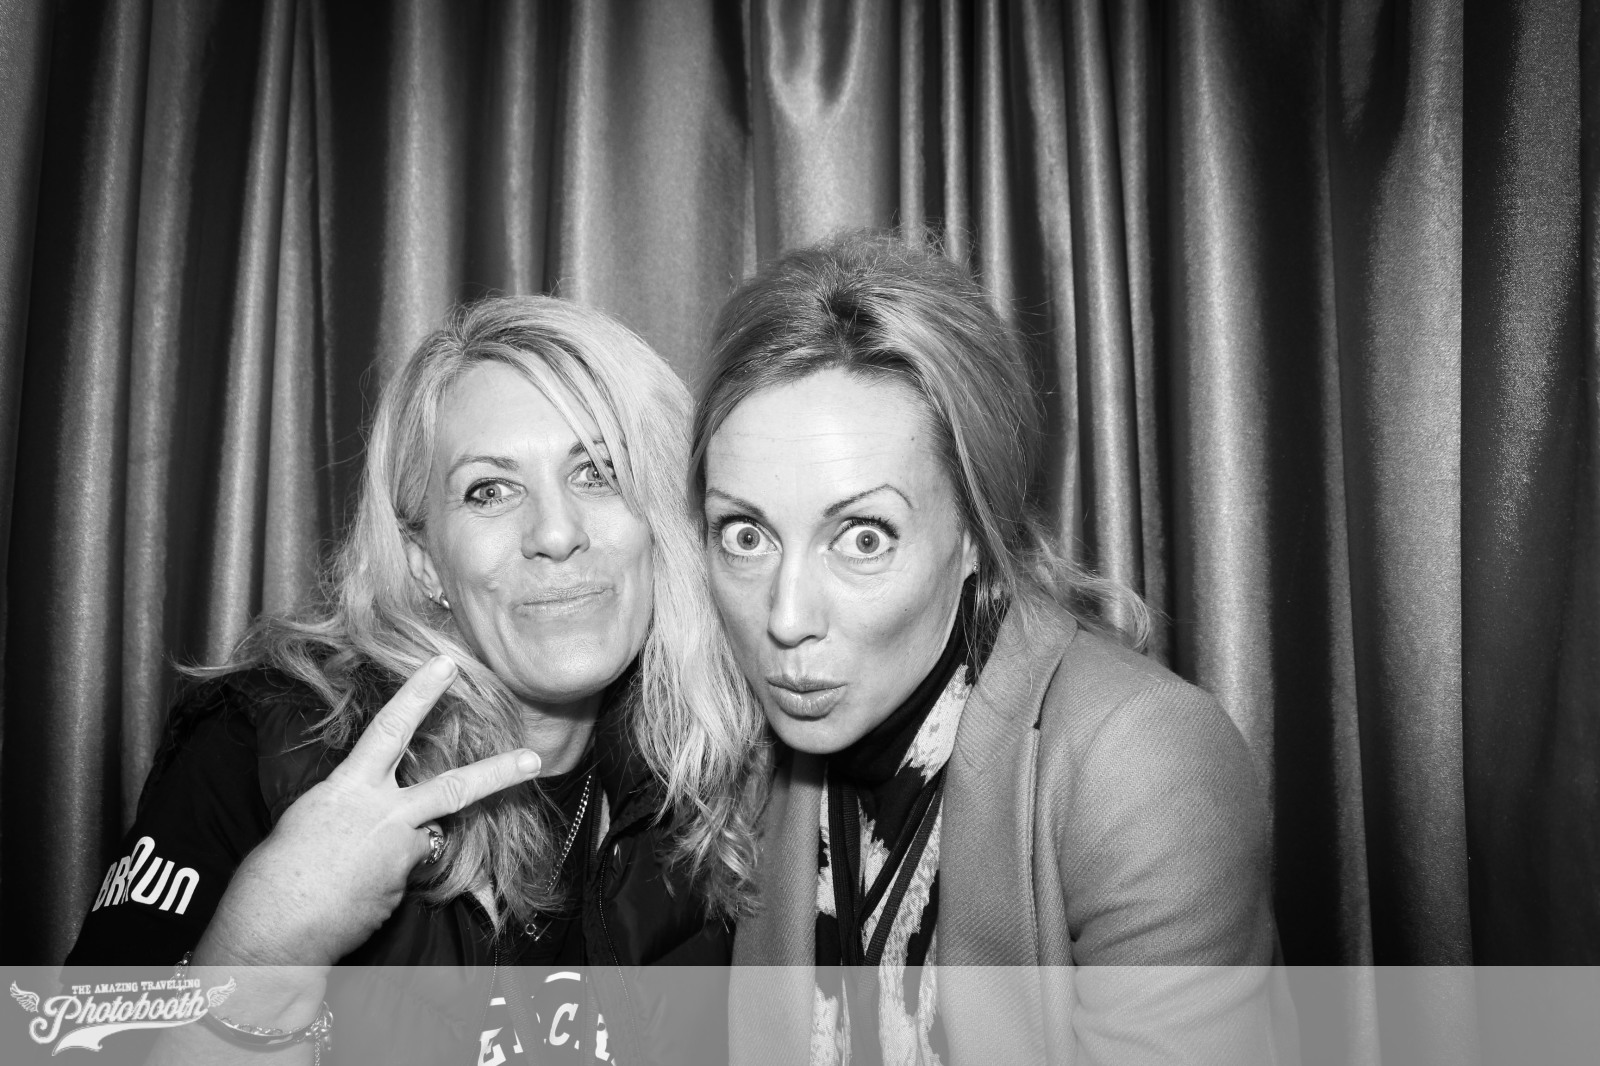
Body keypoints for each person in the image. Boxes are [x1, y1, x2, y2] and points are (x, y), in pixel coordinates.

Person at [65, 295, 765, 1064]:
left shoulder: (712, 780)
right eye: (490, 490)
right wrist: (266, 951)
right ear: (426, 560)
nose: (556, 532)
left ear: (660, 522)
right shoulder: (265, 748)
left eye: (598, 473)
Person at [692, 233, 1291, 1064]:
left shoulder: (1139, 759)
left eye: (863, 538)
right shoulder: (737, 747)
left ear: (976, 532)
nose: (787, 618)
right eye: (745, 535)